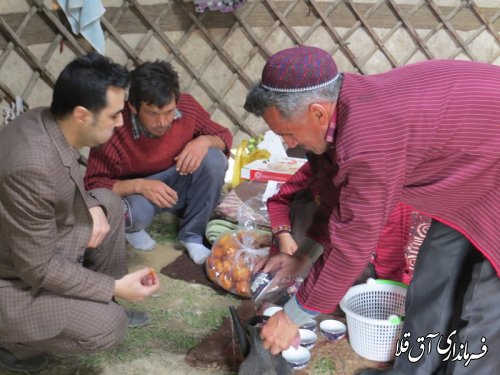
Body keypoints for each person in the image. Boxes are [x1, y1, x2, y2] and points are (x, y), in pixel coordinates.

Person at [244, 46, 500, 374]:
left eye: (288, 134)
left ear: (318, 112)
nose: (289, 145)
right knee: (435, 278)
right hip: (477, 172)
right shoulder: (342, 111)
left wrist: (291, 318)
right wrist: (302, 257)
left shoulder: (370, 142)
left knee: (485, 305)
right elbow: (335, 198)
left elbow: (352, 247)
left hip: (490, 168)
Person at [0, 52, 160, 373]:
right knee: (109, 326)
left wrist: (88, 202)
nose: (121, 123)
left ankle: (98, 300)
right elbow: (38, 269)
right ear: (82, 115)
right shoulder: (30, 167)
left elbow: (69, 167)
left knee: (108, 204)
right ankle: (14, 346)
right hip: (11, 279)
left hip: (30, 241)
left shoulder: (45, 119)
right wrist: (113, 288)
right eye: (114, 116)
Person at [84, 61, 233, 264]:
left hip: (177, 179)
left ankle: (192, 236)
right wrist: (140, 185)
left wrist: (204, 141)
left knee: (214, 158)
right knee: (134, 213)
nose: (162, 122)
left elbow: (223, 136)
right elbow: (94, 184)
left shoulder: (188, 108)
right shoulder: (115, 127)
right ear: (133, 106)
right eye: (153, 113)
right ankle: (133, 229)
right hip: (138, 196)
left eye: (169, 112)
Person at [267, 154, 416, 284]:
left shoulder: (391, 201)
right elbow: (279, 201)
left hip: (354, 254)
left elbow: (390, 262)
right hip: (312, 232)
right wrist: (283, 235)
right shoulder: (322, 163)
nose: (292, 143)